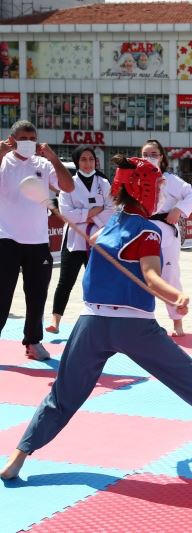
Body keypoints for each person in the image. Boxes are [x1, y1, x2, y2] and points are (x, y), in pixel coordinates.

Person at [0, 156, 192, 481]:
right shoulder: (148, 231)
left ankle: (18, 457)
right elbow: (151, 276)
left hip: (90, 323)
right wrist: (173, 294)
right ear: (145, 192)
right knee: (187, 376)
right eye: (158, 189)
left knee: (63, 394)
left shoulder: (108, 225)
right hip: (134, 326)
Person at [0, 120, 74, 361]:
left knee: (37, 294)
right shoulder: (3, 161)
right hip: (6, 238)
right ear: (11, 140)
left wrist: (54, 159)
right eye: (23, 139)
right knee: (2, 294)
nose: (29, 143)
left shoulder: (43, 163)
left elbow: (68, 187)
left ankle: (33, 341)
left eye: (33, 139)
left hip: (38, 240)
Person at [46, 145, 114, 334]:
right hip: (74, 239)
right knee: (66, 281)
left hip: (98, 239)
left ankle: (100, 321)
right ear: (77, 162)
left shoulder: (103, 182)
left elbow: (111, 209)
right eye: (83, 159)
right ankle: (55, 320)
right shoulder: (68, 182)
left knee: (97, 281)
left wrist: (86, 216)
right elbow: (66, 213)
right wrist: (92, 213)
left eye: (91, 159)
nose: (87, 163)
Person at [141, 139, 192, 337]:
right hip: (141, 231)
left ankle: (177, 323)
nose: (149, 158)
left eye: (153, 155)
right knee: (140, 277)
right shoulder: (135, 179)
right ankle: (143, 321)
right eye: (145, 155)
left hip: (165, 231)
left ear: (162, 157)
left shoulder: (170, 179)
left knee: (170, 275)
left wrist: (179, 209)